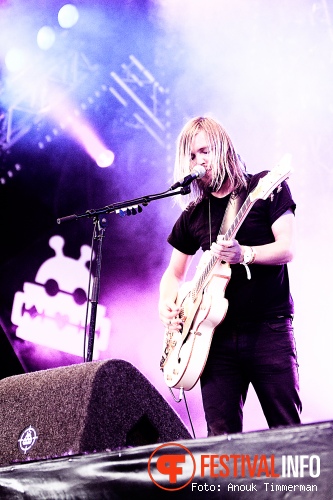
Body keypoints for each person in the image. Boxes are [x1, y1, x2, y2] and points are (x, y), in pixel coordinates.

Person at [158, 116, 302, 436]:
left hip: (270, 330)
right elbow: (174, 272)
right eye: (191, 156)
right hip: (216, 341)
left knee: (288, 431)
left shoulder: (264, 186)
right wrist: (167, 303)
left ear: (222, 147)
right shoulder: (193, 214)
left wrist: (245, 254)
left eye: (204, 151)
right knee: (220, 440)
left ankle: (306, 489)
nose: (198, 161)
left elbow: (287, 248)